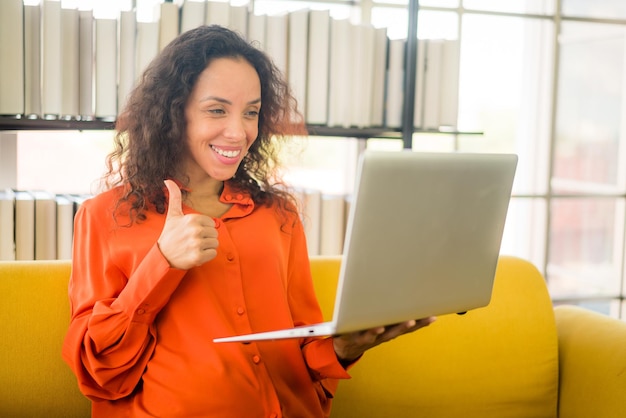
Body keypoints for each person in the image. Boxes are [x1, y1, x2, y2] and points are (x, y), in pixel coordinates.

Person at [62, 25, 435, 417]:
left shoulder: (278, 215)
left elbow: (304, 347)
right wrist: (162, 263)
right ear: (174, 113)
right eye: (217, 110)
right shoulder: (106, 216)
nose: (239, 132)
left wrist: (344, 348)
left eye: (251, 113)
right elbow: (97, 370)